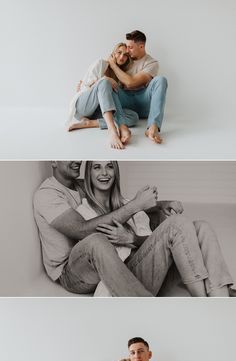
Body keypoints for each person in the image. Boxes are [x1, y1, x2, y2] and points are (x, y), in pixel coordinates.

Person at [33, 160, 234, 298]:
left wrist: (158, 205)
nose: (103, 173)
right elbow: (82, 230)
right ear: (53, 160)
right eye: (96, 167)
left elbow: (122, 204)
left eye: (109, 167)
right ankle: (146, 302)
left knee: (201, 227)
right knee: (97, 241)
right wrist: (137, 209)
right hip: (71, 271)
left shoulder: (81, 184)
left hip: (126, 263)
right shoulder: (49, 194)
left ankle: (219, 296)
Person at [67, 42, 138, 149]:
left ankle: (90, 123)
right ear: (113, 53)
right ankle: (112, 130)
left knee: (133, 116)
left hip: (99, 111)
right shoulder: (100, 63)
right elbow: (84, 86)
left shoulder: (119, 74)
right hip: (83, 107)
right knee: (105, 82)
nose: (122, 57)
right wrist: (105, 79)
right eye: (119, 52)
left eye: (126, 55)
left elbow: (114, 100)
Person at [107, 30, 168, 144]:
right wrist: (88, 84)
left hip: (143, 101)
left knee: (161, 80)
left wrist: (114, 65)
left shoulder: (151, 63)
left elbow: (131, 82)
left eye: (130, 47)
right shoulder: (124, 59)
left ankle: (153, 127)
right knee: (108, 84)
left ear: (141, 46)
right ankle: (103, 123)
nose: (127, 50)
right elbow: (105, 80)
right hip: (124, 101)